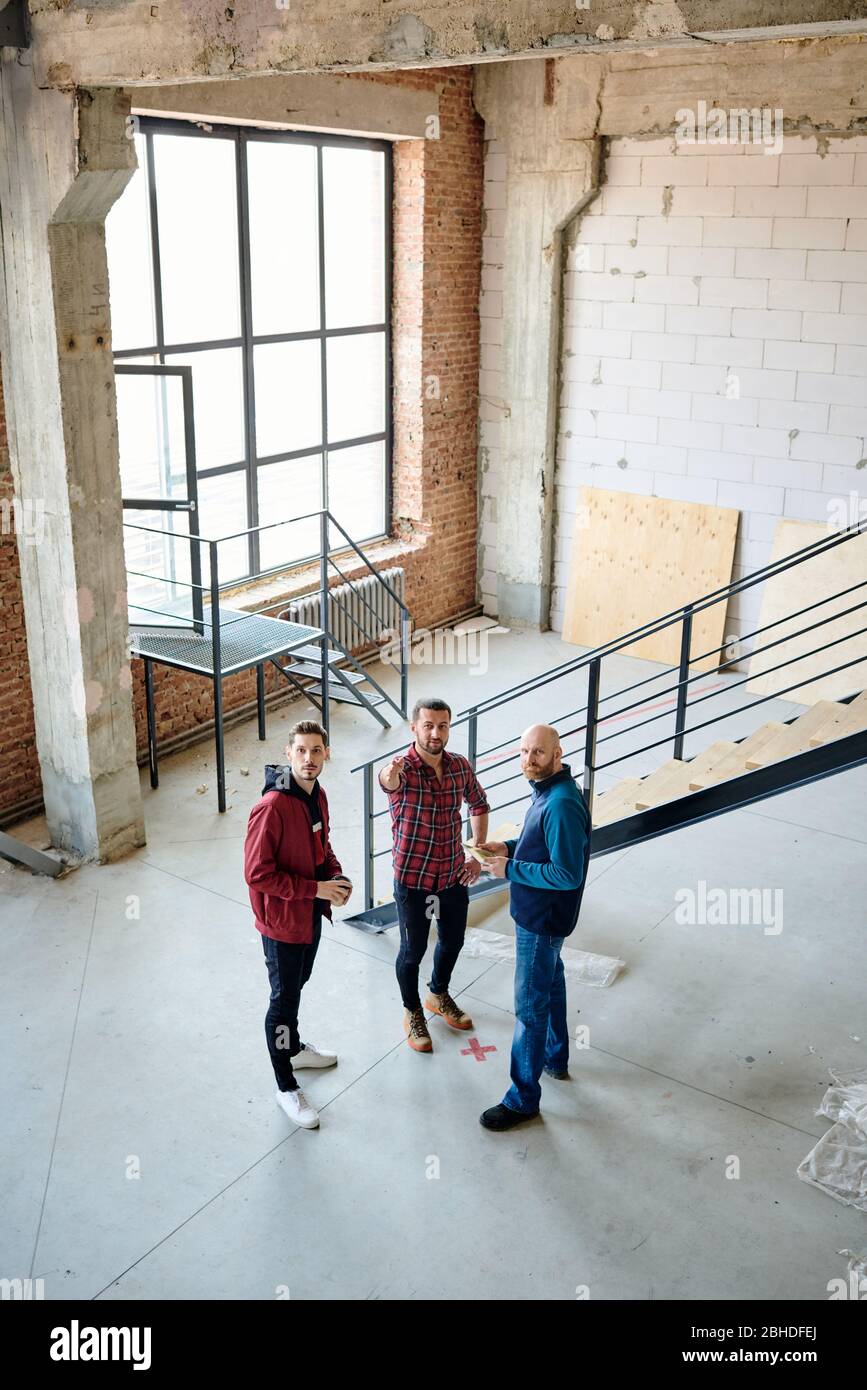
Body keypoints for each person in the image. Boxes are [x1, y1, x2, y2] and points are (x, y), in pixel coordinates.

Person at [476, 724, 591, 1131]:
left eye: (538, 753)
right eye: (524, 752)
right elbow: (540, 843)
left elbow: (565, 873)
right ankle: (555, 1058)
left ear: (558, 754)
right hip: (542, 918)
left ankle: (523, 1099)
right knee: (551, 985)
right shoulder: (547, 792)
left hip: (541, 921)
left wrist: (508, 868)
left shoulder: (560, 803)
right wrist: (507, 847)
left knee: (528, 1008)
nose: (529, 760)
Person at [243, 720, 352, 1130]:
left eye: (317, 751)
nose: (309, 759)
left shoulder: (316, 795)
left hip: (309, 914)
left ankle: (293, 1046)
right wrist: (316, 889)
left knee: (296, 986)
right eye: (301, 751)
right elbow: (257, 874)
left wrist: (336, 879)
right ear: (288, 754)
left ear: (326, 754)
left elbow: (321, 847)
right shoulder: (271, 807)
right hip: (282, 924)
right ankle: (286, 1085)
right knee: (283, 999)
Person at [379, 698, 490, 1052]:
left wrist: (478, 850)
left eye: (442, 726)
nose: (435, 733)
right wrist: (390, 773)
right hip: (414, 880)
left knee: (453, 941)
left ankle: (437, 995)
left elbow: (479, 803)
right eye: (428, 725)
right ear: (414, 728)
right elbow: (387, 781)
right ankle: (412, 1012)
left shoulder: (458, 766)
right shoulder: (404, 769)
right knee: (412, 952)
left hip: (452, 876)